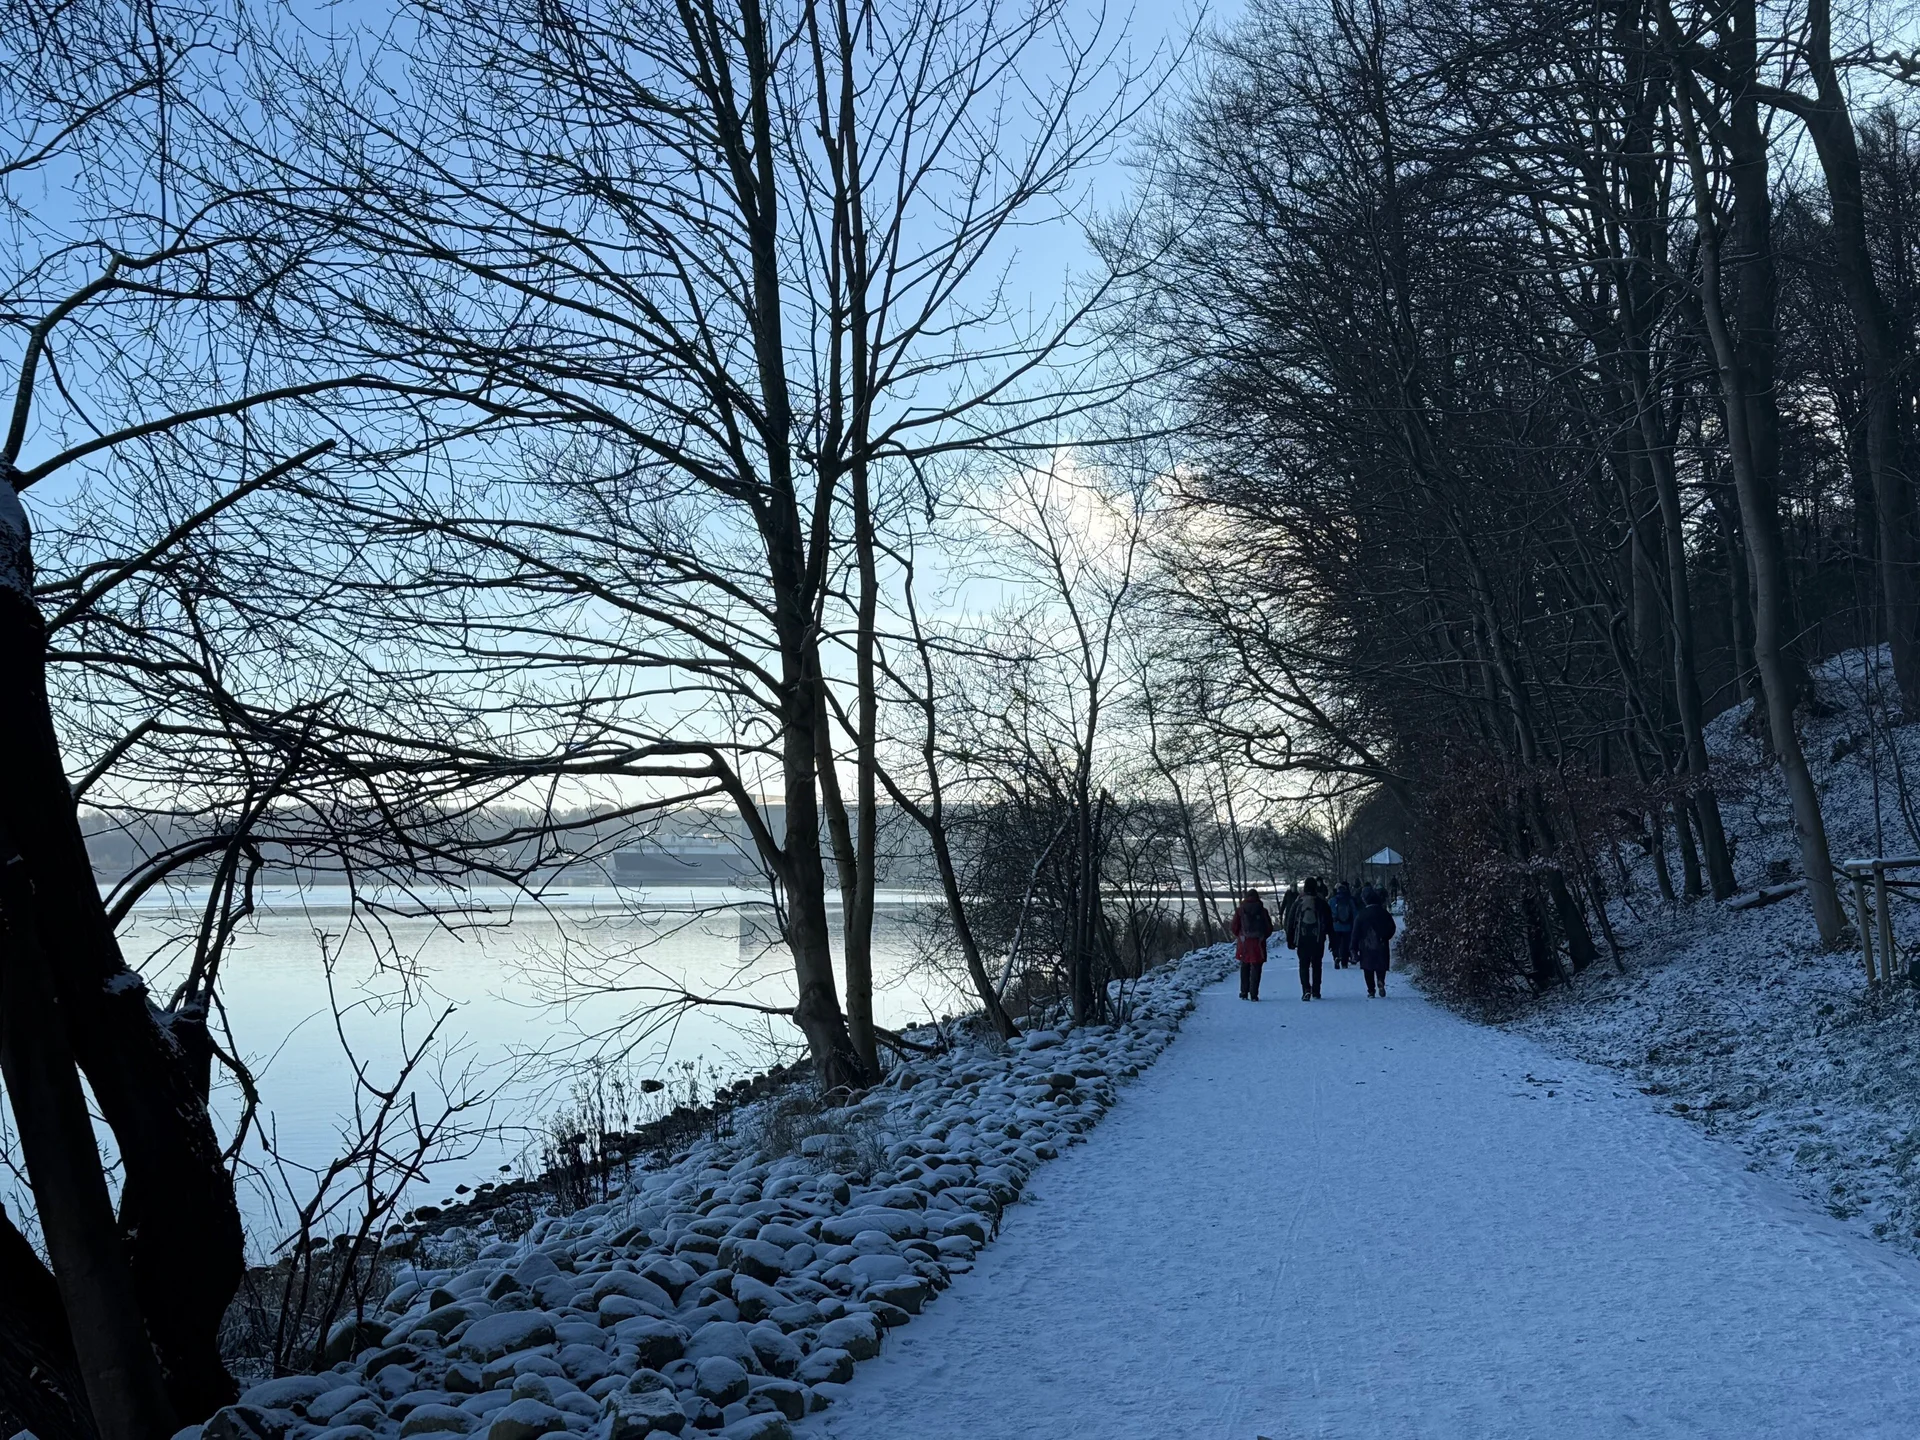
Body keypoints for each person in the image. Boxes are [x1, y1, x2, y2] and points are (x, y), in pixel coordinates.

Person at [1288, 876, 1333, 1000]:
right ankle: (1316, 991)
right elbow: (1329, 922)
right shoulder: (1321, 902)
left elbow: (1290, 922)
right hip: (1318, 939)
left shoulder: (1299, 902)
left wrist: (1290, 940)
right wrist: (1333, 940)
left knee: (1303, 965)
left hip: (1302, 939)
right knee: (1317, 965)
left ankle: (1306, 990)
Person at [1353, 884, 1398, 997]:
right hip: (1381, 943)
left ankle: (1371, 990)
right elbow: (1392, 927)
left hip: (1366, 945)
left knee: (1368, 968)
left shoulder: (1361, 915)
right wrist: (1386, 937)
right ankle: (1381, 981)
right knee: (1380, 965)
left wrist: (1353, 948)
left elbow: (1355, 932)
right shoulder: (1383, 912)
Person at [1230, 888, 1274, 1000]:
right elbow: (1269, 928)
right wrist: (1263, 937)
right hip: (1258, 943)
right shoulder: (1262, 910)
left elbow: (1234, 927)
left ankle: (1244, 992)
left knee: (1244, 966)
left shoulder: (1240, 910)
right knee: (1256, 967)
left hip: (1244, 942)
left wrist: (1240, 936)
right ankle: (1254, 994)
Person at [1329, 880, 1357, 968]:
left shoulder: (1332, 900)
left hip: (1335, 926)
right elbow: (1355, 913)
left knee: (1336, 943)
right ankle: (1344, 962)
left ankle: (1336, 957)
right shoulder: (1349, 900)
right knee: (1345, 944)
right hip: (1347, 926)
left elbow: (1327, 913)